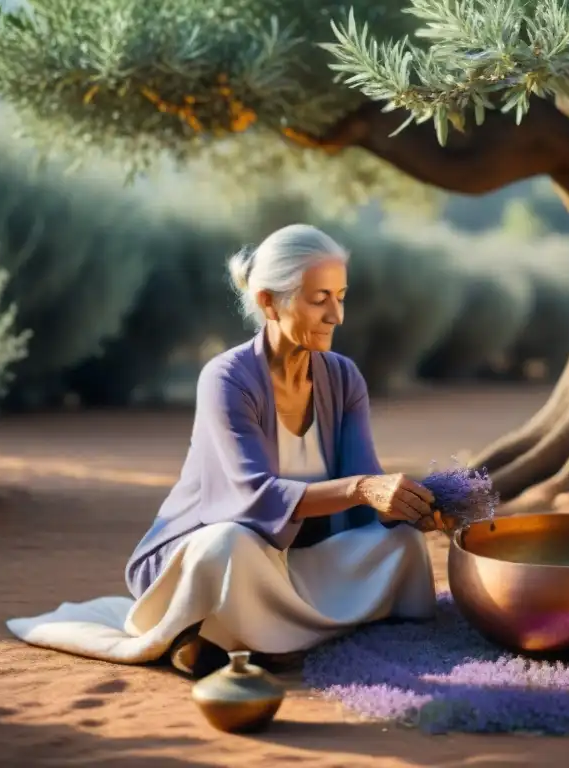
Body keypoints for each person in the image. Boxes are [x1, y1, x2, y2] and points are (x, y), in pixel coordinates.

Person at [123, 223, 439, 675]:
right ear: (268, 301)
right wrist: (363, 488)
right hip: (203, 554)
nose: (337, 315)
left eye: (340, 296)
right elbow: (255, 498)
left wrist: (410, 507)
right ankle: (221, 633)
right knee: (232, 542)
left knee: (402, 544)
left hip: (289, 559)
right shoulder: (226, 378)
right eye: (319, 299)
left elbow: (362, 489)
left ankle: (244, 636)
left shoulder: (343, 378)